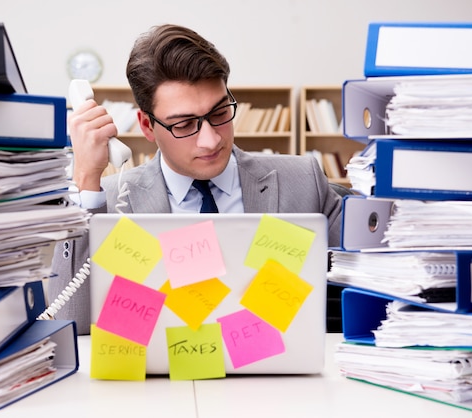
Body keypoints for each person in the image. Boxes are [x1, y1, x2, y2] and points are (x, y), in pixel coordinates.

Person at [49, 23, 343, 333]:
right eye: (185, 123)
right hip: (160, 379)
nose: (211, 140)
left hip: (282, 372)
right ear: (147, 127)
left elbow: (371, 292)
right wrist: (86, 178)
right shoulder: (108, 203)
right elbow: (72, 325)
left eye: (219, 113)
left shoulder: (304, 181)